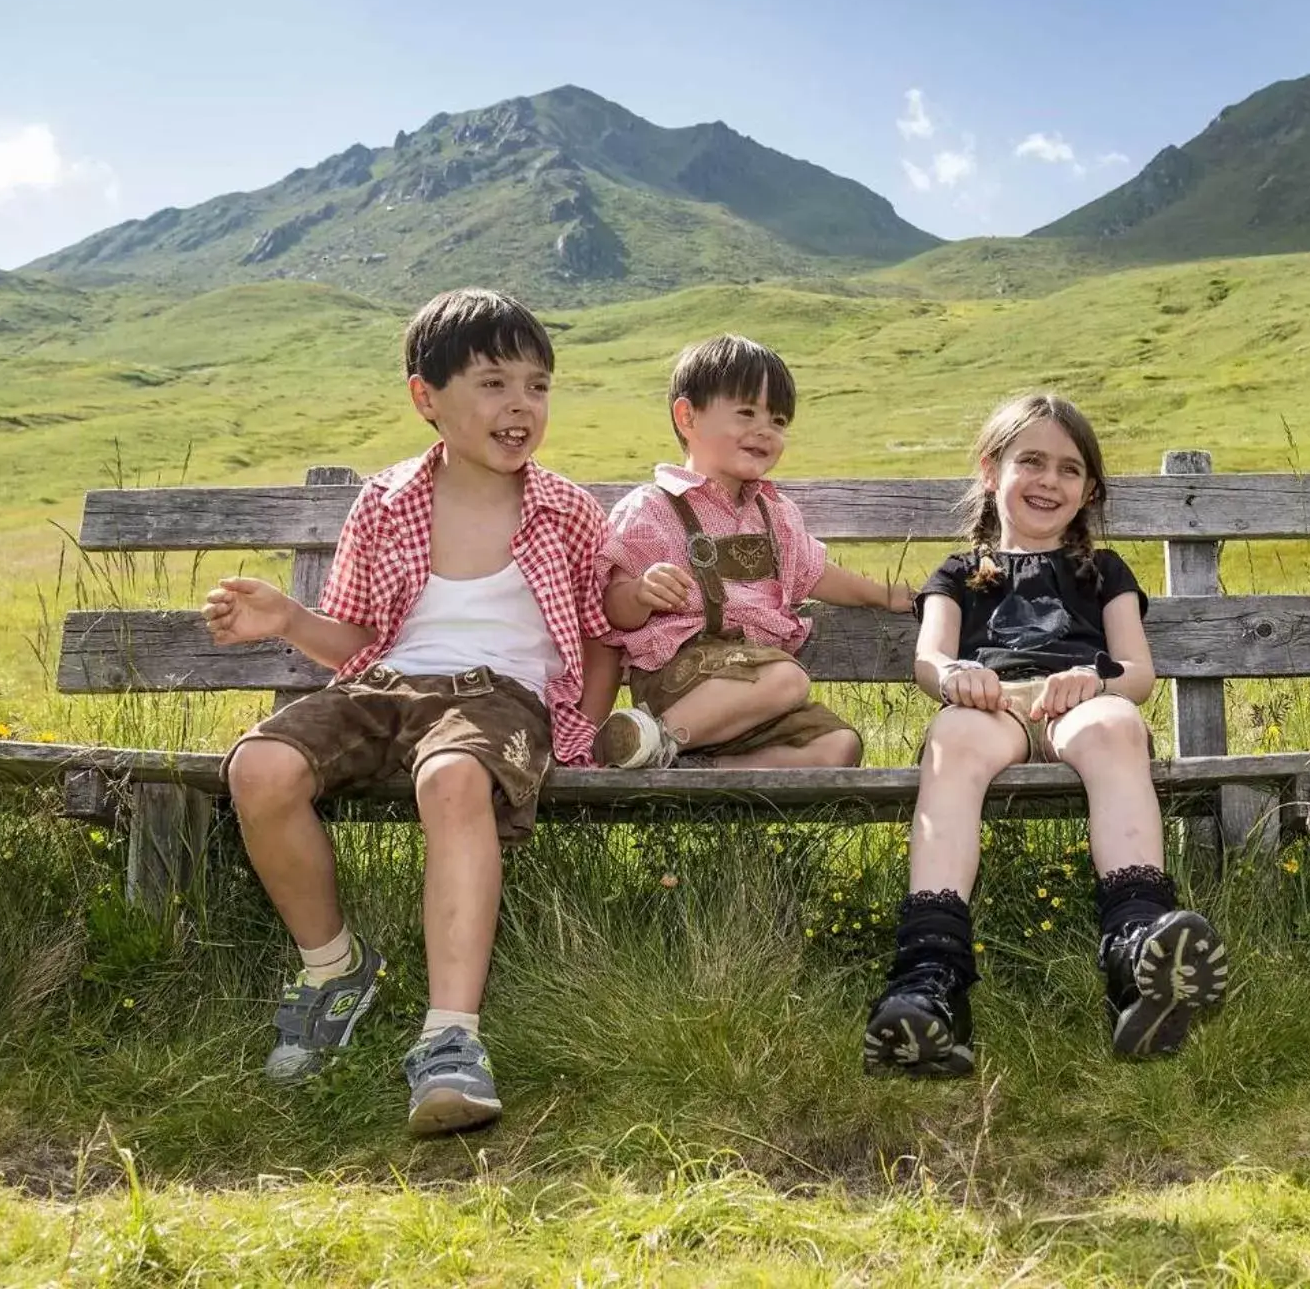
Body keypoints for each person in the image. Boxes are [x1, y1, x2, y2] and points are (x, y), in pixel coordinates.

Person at [202, 288, 618, 1137]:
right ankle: (334, 968)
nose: (520, 406)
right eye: (494, 383)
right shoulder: (387, 501)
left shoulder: (568, 509)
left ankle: (450, 1038)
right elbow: (352, 635)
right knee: (260, 766)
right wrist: (283, 618)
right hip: (385, 687)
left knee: (455, 779)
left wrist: (584, 726)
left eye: (537, 386)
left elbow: (604, 633)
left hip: (498, 701)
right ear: (425, 396)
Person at [863, 393, 1228, 1076]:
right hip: (992, 706)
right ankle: (928, 983)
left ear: (1088, 489)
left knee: (1118, 727)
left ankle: (1137, 950)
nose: (1048, 481)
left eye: (1068, 469)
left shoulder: (1105, 572)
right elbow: (930, 658)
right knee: (955, 739)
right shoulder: (959, 571)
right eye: (1030, 461)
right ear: (991, 470)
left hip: (1079, 706)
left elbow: (1137, 673)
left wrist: (1095, 682)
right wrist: (956, 679)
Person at [593, 333, 911, 770]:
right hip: (687, 679)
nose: (764, 430)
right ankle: (652, 735)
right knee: (787, 677)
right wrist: (640, 593)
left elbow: (816, 574)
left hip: (756, 696)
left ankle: (688, 767)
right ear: (687, 417)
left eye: (778, 421)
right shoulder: (653, 507)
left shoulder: (774, 514)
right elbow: (612, 608)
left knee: (840, 747)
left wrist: (884, 595)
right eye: (746, 413)